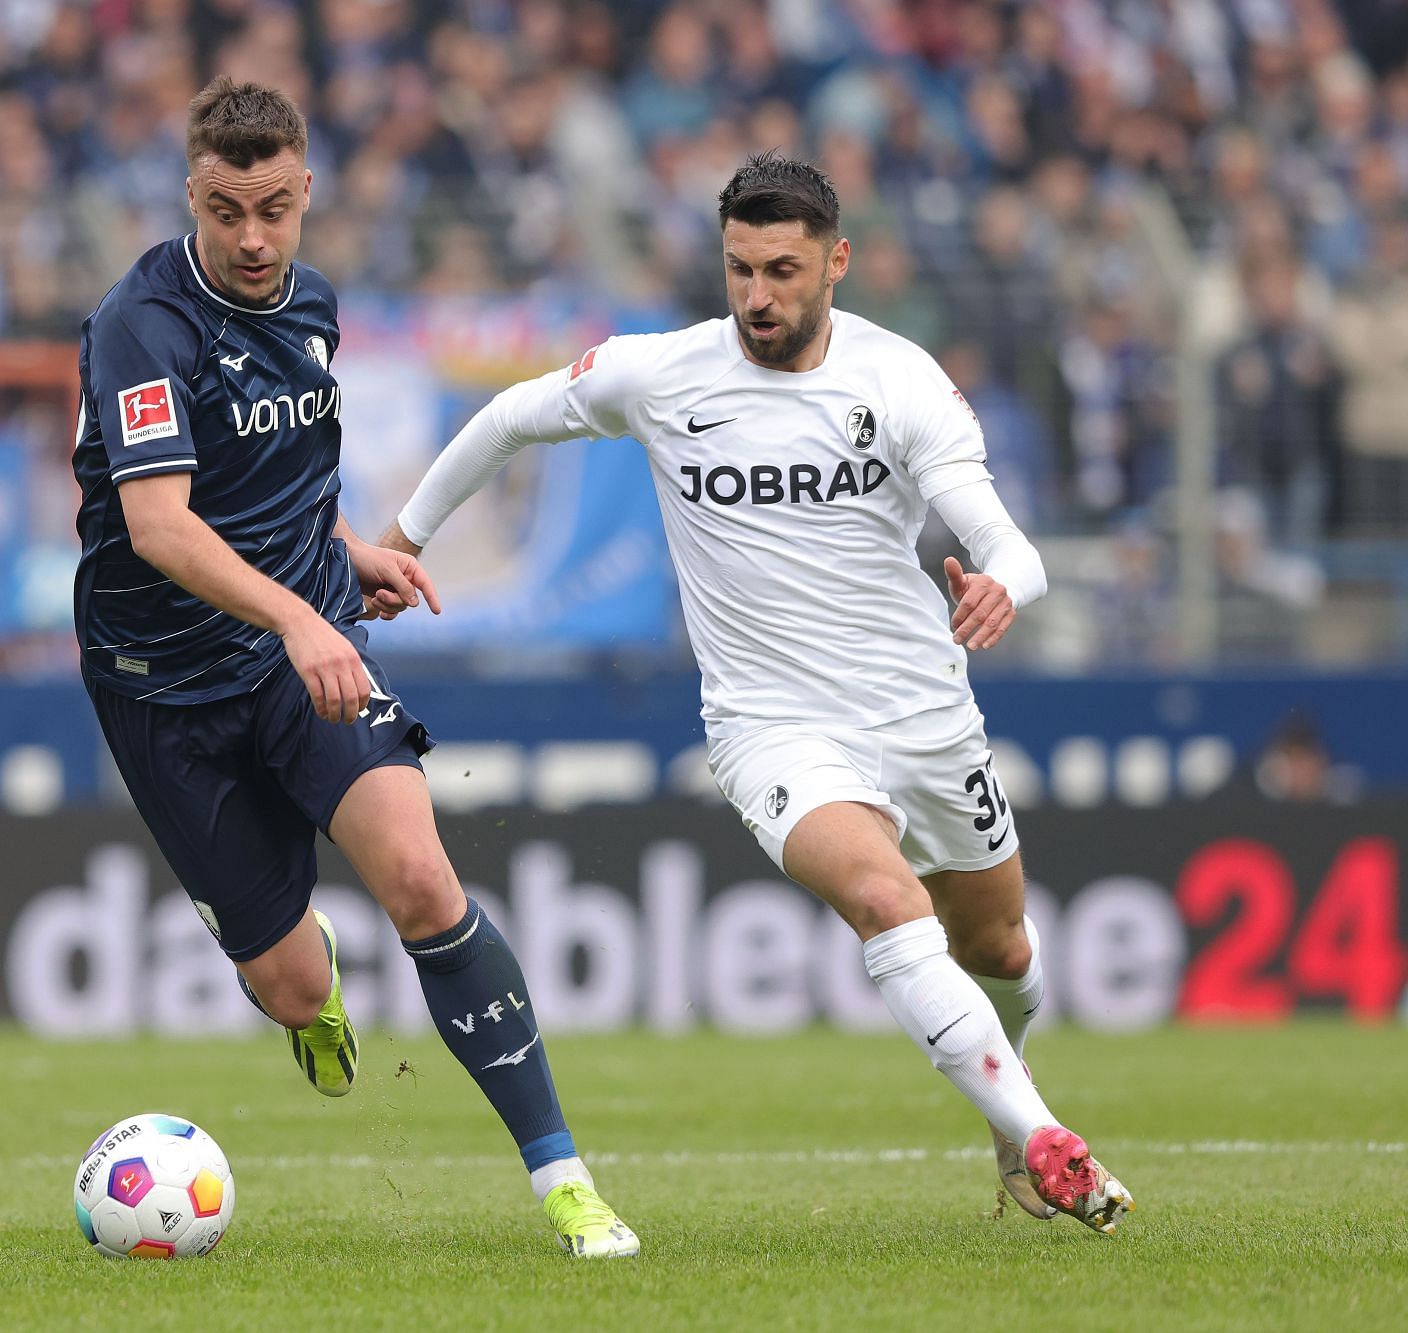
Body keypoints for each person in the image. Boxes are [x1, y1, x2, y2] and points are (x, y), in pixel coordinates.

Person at [382, 152, 1134, 1234]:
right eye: (739, 270)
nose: (757, 298)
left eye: (782, 270)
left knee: (1004, 949)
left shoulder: (901, 381)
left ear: (837, 262)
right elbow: (509, 418)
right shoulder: (664, 375)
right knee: (886, 900)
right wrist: (404, 536)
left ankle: (1007, 1118)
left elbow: (1007, 542)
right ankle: (1047, 1137)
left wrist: (999, 590)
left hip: (921, 712)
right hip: (771, 727)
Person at [70, 77, 637, 1259]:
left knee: (426, 884)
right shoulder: (142, 325)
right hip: (165, 685)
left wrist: (343, 562)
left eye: (275, 207)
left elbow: (270, 497)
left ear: (308, 189)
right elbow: (166, 526)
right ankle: (311, 988)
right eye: (227, 210)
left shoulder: (314, 306)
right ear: (191, 192)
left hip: (303, 651)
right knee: (282, 983)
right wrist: (299, 617)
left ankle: (566, 1183)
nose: (253, 237)